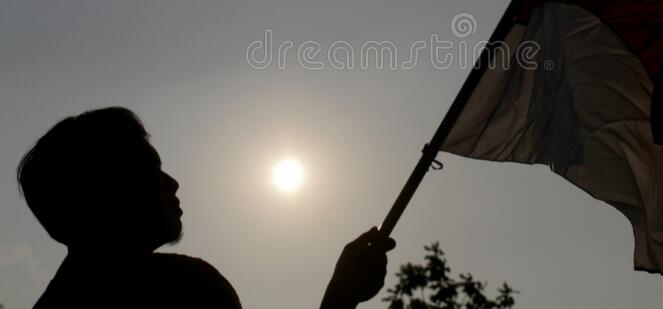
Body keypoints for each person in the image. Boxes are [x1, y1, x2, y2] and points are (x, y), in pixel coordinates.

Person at [17, 107, 395, 308]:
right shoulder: (188, 287)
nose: (172, 183)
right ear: (110, 192)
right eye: (153, 171)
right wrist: (340, 299)